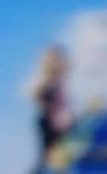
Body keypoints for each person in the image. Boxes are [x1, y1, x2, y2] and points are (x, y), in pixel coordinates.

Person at [26, 45, 72, 174]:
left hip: (59, 123)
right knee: (49, 158)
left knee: (59, 159)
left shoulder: (59, 80)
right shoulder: (47, 81)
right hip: (50, 123)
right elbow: (35, 94)